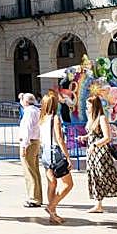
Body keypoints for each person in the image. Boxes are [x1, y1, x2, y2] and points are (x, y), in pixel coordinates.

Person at [84, 95, 117, 214]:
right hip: (92, 153)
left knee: (107, 176)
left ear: (94, 105)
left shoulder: (102, 118)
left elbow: (107, 137)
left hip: (101, 153)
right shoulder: (91, 118)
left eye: (88, 104)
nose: (87, 107)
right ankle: (98, 204)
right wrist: (85, 137)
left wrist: (95, 145)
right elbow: (93, 134)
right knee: (94, 176)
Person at [39, 90, 74, 225]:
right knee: (68, 184)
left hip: (45, 152)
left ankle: (52, 214)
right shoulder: (55, 118)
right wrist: (67, 156)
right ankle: (51, 206)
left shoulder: (42, 119)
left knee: (51, 183)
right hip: (55, 152)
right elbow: (59, 138)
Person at [17, 92, 43, 208]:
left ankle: (33, 198)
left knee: (29, 171)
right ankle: (38, 196)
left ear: (25, 102)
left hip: (29, 142)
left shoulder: (28, 112)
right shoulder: (37, 111)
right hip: (35, 141)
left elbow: (26, 130)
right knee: (35, 170)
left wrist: (23, 145)